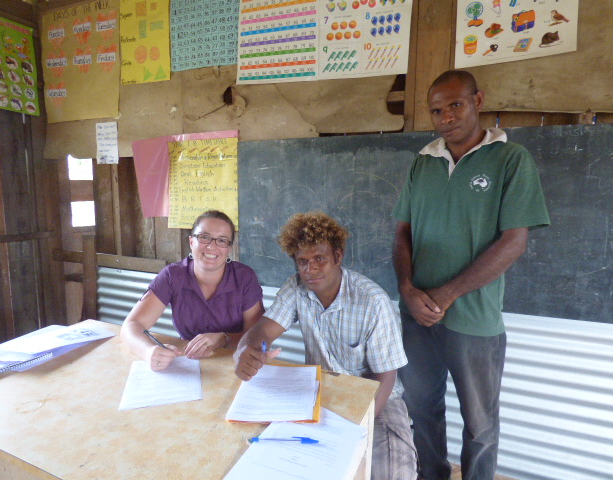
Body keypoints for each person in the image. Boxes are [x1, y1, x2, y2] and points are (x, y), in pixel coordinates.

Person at [392, 70, 550, 480]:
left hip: (475, 320)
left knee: (480, 425)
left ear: (478, 100)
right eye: (437, 110)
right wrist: (407, 290)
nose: (446, 117)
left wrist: (446, 294)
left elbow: (515, 241)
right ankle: (432, 475)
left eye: (455, 105)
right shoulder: (422, 162)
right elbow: (402, 234)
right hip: (416, 317)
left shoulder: (511, 160)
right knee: (421, 409)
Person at [234, 211, 418, 480]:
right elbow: (263, 329)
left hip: (377, 399)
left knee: (394, 472)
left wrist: (354, 427)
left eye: (319, 258)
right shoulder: (296, 288)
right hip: (320, 393)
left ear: (338, 257)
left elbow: (385, 377)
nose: (311, 269)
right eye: (302, 261)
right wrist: (246, 350)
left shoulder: (373, 302)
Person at [121, 210, 264, 370]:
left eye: (222, 240)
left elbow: (257, 336)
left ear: (229, 248)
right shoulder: (172, 275)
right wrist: (149, 351)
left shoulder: (244, 278)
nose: (211, 246)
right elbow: (132, 325)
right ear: (191, 242)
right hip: (188, 364)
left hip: (235, 363)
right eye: (204, 237)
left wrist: (224, 339)